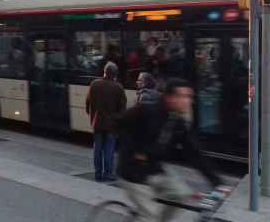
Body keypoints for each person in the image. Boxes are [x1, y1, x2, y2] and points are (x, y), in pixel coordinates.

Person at [117, 79, 228, 221]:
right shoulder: (147, 110)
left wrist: (217, 182)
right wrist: (135, 150)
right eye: (184, 96)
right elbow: (120, 123)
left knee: (182, 195)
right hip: (131, 172)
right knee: (149, 215)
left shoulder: (177, 121)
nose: (189, 101)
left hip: (155, 169)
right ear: (169, 97)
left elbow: (194, 153)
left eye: (190, 97)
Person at [86, 62, 128, 182]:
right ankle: (108, 173)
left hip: (97, 123)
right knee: (109, 149)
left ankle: (98, 174)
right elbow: (122, 109)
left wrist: (92, 115)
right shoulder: (118, 87)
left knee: (97, 149)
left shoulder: (94, 84)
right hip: (112, 125)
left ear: (104, 72)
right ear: (115, 75)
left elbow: (88, 103)